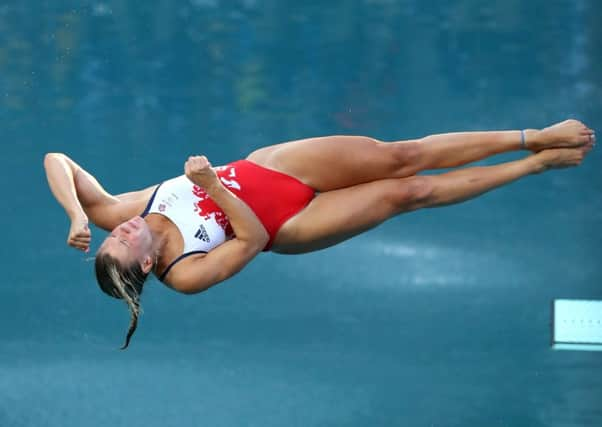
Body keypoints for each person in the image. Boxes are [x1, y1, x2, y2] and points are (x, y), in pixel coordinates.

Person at [44, 119, 595, 349]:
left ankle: (532, 137)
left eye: (113, 233)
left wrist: (74, 215)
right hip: (288, 224)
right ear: (144, 265)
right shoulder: (183, 274)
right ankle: (534, 167)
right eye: (122, 240)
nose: (124, 228)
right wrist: (211, 186)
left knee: (401, 156)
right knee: (409, 193)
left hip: (273, 167)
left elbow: (58, 159)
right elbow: (252, 239)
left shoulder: (122, 209)